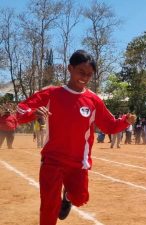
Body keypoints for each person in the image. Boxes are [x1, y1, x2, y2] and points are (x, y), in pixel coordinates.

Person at [16, 50, 136, 225]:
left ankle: (68, 197)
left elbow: (109, 125)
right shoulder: (52, 94)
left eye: (89, 75)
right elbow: (21, 109)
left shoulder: (93, 100)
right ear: (70, 69)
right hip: (52, 160)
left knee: (80, 198)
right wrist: (32, 112)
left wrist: (125, 120)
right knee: (49, 205)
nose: (85, 77)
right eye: (81, 72)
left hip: (78, 163)